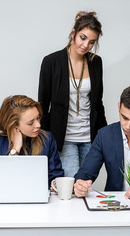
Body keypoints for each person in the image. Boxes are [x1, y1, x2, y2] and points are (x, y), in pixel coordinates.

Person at [38, 11, 107, 177]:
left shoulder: (96, 62)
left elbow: (98, 102)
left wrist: (105, 135)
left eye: (91, 42)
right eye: (83, 38)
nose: (86, 45)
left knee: (85, 184)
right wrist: (47, 140)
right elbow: (42, 104)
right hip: (64, 137)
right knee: (71, 182)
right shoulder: (51, 62)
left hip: (90, 136)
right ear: (73, 34)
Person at [0, 95, 64, 187]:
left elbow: (56, 175)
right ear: (14, 125)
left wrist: (55, 184)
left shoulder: (47, 139)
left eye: (38, 118)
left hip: (39, 197)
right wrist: (15, 149)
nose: (38, 125)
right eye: (31, 123)